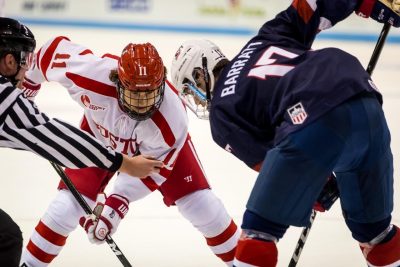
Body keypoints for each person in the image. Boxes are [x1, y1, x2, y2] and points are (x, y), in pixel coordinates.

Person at [170, 0, 400, 266]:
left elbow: (273, 163)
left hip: (314, 119)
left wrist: (318, 188)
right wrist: (369, 3)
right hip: (364, 100)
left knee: (257, 236)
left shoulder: (222, 113)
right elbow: (314, 3)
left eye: (191, 88)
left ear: (200, 74)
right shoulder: (266, 37)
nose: (197, 101)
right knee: (377, 235)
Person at [19, 38, 239, 266]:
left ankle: (244, 262)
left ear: (162, 84)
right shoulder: (91, 74)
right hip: (100, 136)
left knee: (202, 206)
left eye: (150, 93)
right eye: (135, 93)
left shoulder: (172, 119)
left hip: (155, 152)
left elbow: (154, 171)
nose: (143, 103)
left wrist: (116, 205)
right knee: (65, 207)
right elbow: (48, 53)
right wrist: (26, 91)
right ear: (118, 82)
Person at [0, 18, 163, 267]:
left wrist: (28, 93)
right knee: (6, 239)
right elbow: (56, 139)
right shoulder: (7, 101)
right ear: (9, 61)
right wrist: (122, 162)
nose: (25, 70)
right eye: (23, 61)